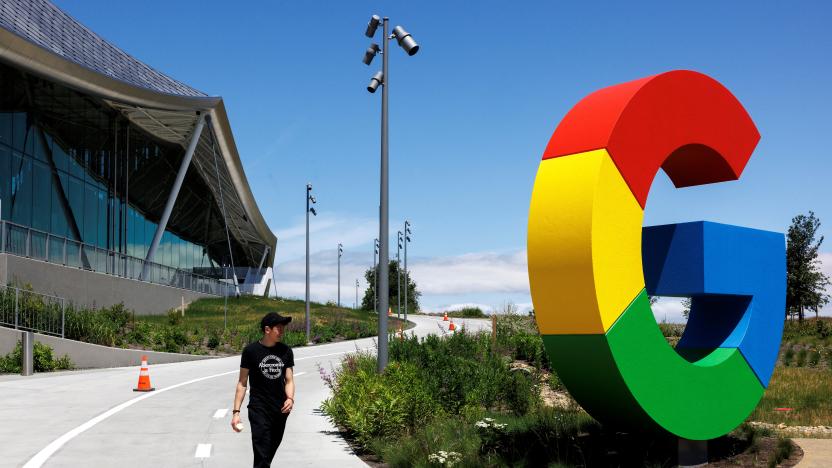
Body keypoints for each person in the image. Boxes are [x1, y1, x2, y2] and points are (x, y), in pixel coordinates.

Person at [232, 312, 296, 467]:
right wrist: (236, 412)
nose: (282, 331)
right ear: (267, 329)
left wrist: (290, 398)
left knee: (267, 454)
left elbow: (289, 380)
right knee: (262, 453)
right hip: (259, 408)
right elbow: (242, 383)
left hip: (280, 410)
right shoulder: (251, 351)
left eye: (283, 328)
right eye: (278, 328)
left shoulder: (286, 351)